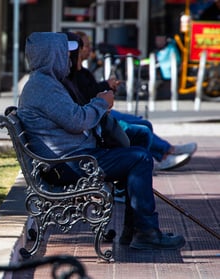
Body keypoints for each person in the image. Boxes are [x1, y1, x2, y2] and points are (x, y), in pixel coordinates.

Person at [18, 31, 186, 250]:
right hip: (70, 164)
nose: (69, 59)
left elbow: (73, 116)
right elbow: (77, 121)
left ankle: (137, 228)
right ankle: (145, 231)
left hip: (72, 156)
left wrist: (97, 104)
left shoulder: (47, 83)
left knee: (138, 138)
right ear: (52, 56)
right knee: (140, 158)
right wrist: (101, 104)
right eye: (63, 54)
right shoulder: (44, 87)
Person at [67, 31, 197, 171]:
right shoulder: (70, 74)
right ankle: (163, 154)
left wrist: (106, 89)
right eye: (85, 46)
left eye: (88, 45)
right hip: (95, 116)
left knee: (143, 125)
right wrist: (105, 91)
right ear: (75, 51)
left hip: (99, 111)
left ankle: (162, 153)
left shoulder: (81, 71)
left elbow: (88, 92)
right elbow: (84, 99)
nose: (89, 49)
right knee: (142, 130)